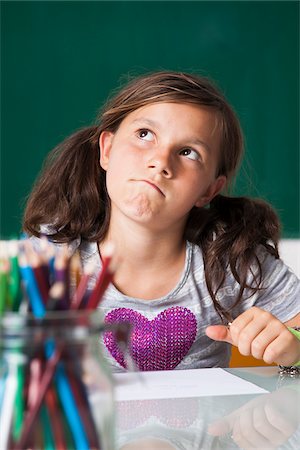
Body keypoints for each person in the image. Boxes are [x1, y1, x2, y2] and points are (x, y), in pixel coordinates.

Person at [23, 71, 300, 372]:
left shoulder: (231, 260)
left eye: (188, 152)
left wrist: (293, 348)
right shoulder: (52, 255)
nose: (160, 161)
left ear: (209, 189)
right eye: (144, 134)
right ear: (107, 149)